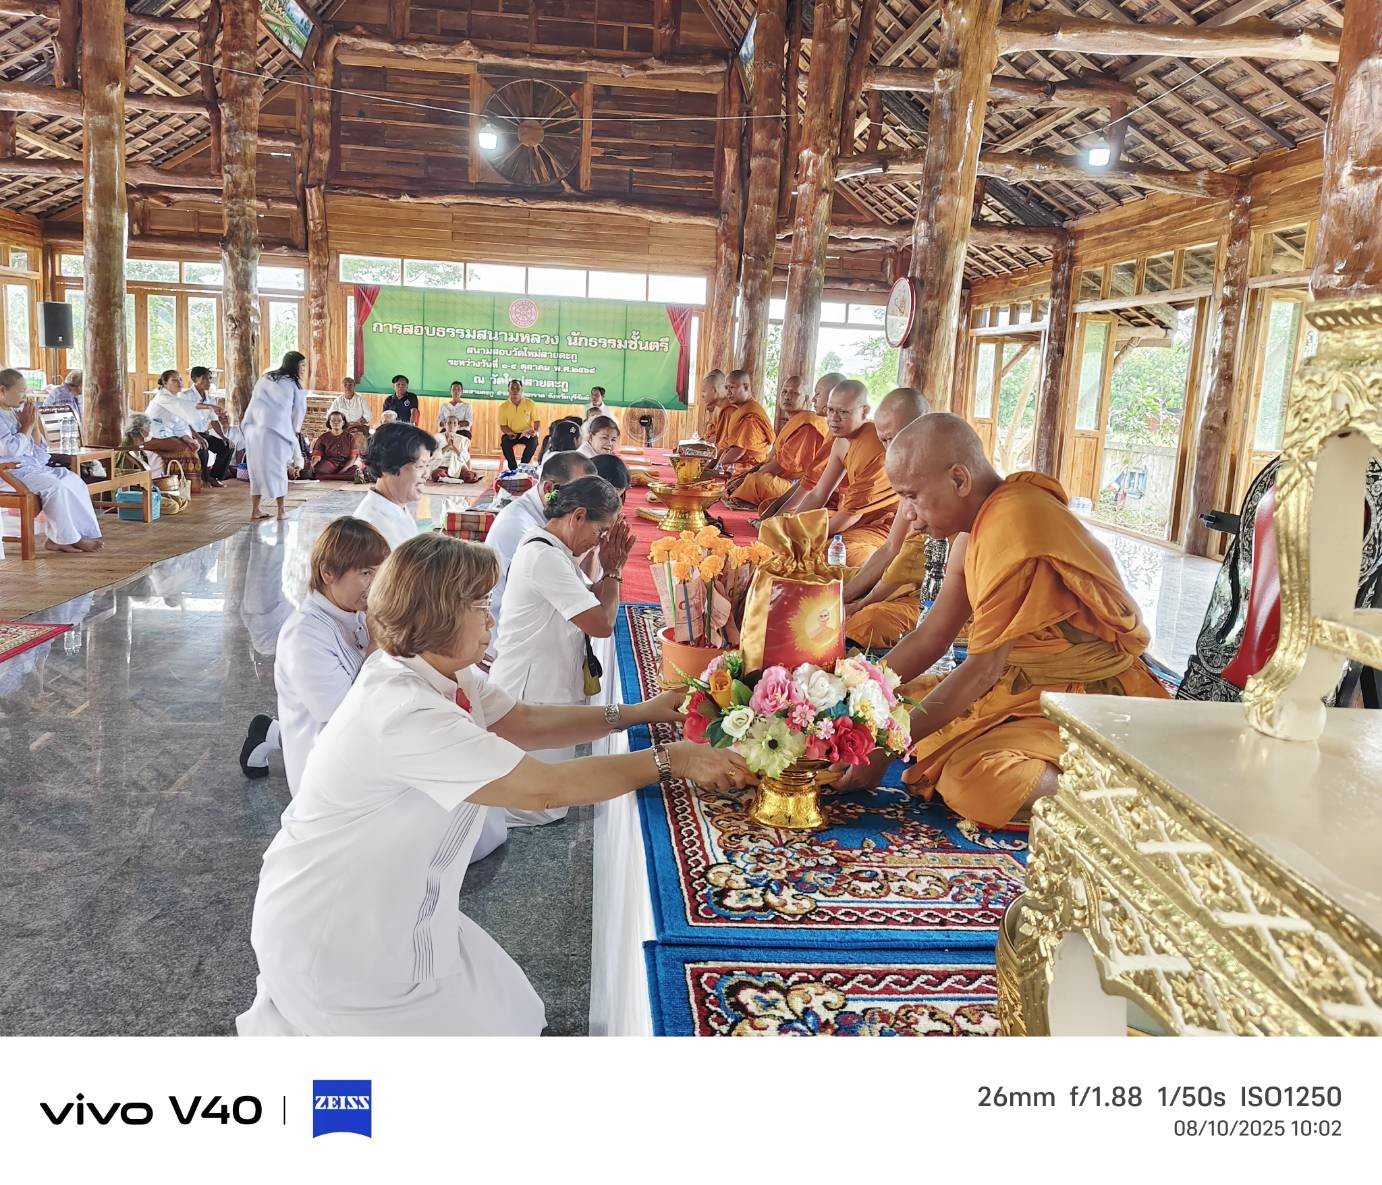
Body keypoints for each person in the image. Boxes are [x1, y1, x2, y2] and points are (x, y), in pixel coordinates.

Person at [237, 533, 753, 1036]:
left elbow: (521, 722)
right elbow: (545, 787)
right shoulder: (403, 709)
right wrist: (671, 760)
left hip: (397, 905)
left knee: (504, 1011)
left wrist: (638, 713)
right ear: (438, 614)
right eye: (481, 605)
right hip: (337, 933)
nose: (492, 619)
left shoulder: (439, 671)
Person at [844, 414, 1167, 828]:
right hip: (1022, 685)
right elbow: (932, 636)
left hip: (1086, 698)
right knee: (894, 709)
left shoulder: (1014, 524)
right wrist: (851, 694)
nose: (907, 515)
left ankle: (1127, 789)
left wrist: (885, 751)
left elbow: (982, 671)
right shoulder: (973, 530)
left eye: (912, 497)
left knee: (973, 779)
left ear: (959, 479)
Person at [489, 476, 635, 825]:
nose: (601, 542)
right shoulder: (544, 556)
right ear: (578, 516)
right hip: (531, 692)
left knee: (548, 801)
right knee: (537, 809)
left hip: (542, 686)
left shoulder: (553, 549)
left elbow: (592, 600)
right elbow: (601, 623)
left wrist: (610, 572)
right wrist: (613, 570)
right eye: (601, 532)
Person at [273, 517, 390, 795]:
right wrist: (376, 643)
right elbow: (342, 715)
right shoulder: (304, 635)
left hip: (362, 758)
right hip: (328, 782)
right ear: (327, 572)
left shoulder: (356, 614)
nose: (376, 584)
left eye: (381, 573)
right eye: (366, 573)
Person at [839, 388, 934, 648]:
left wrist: (859, 604)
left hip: (947, 600)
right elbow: (892, 548)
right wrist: (842, 597)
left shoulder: (939, 478)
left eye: (896, 437)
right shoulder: (911, 474)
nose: (891, 449)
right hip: (909, 585)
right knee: (830, 581)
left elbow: (908, 561)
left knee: (868, 622)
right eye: (884, 440)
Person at [783, 379, 898, 566]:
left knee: (834, 552)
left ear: (865, 411)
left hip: (881, 525)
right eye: (830, 410)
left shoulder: (875, 445)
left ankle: (878, 567)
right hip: (850, 517)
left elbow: (853, 514)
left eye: (843, 412)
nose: (833, 418)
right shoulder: (841, 442)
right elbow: (819, 493)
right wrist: (792, 527)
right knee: (799, 528)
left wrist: (805, 537)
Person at [0, 367, 102, 553]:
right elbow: (12, 450)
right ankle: (66, 539)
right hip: (8, 474)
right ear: (2, 391)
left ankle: (77, 535)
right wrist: (27, 425)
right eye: (21, 391)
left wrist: (34, 426)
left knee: (73, 480)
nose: (25, 396)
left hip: (28, 470)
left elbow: (39, 454)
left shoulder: (14, 413)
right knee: (55, 486)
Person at [487, 449, 595, 620]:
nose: (585, 508)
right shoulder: (518, 526)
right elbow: (586, 611)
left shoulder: (548, 515)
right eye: (579, 497)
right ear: (549, 488)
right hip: (510, 626)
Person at [725, 374, 829, 509]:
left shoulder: (808, 425)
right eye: (784, 392)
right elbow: (770, 460)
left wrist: (746, 480)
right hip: (781, 480)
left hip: (798, 487)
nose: (787, 397)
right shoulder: (794, 422)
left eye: (795, 393)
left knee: (756, 481)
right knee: (745, 478)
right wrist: (743, 478)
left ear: (807, 399)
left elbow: (782, 465)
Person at [242, 352, 308, 520]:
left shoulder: (266, 377)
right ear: (294, 366)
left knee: (256, 469)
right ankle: (281, 511)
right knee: (278, 469)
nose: (304, 369)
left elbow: (254, 402)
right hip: (275, 432)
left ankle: (255, 510)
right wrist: (294, 431)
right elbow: (298, 411)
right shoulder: (294, 384)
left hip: (254, 429)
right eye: (302, 365)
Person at [354, 421, 434, 550]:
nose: (427, 474)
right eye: (420, 466)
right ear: (387, 467)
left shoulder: (396, 506)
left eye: (427, 465)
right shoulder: (376, 528)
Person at [145, 370, 213, 490]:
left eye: (180, 379)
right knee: (185, 450)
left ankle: (187, 485)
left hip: (166, 435)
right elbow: (186, 406)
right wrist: (210, 406)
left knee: (192, 446)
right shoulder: (163, 397)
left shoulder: (175, 398)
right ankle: (183, 486)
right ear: (165, 383)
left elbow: (180, 425)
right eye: (174, 380)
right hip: (151, 436)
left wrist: (189, 439)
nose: (179, 382)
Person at [713, 369, 774, 468]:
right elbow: (729, 445)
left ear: (746, 387)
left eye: (732, 387)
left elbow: (738, 451)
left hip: (750, 464)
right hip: (737, 460)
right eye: (726, 388)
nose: (728, 392)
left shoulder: (750, 417)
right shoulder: (741, 411)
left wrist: (717, 468)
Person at [498, 378, 540, 469]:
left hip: (526, 434)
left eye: (517, 388)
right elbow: (503, 425)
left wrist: (535, 431)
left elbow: (537, 421)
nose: (515, 391)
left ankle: (523, 466)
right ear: (508, 391)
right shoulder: (503, 407)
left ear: (522, 390)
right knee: (505, 442)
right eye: (512, 388)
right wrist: (509, 433)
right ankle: (513, 468)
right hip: (512, 434)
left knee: (534, 441)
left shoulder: (530, 404)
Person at [308, 411, 362, 481]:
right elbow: (317, 455)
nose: (336, 423)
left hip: (346, 464)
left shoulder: (350, 438)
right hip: (329, 463)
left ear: (343, 422)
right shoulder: (323, 437)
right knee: (319, 470)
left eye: (339, 420)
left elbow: (353, 458)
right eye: (333, 420)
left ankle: (331, 477)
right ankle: (341, 477)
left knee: (355, 471)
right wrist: (312, 467)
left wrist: (343, 470)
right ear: (329, 423)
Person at [113, 413, 166, 480]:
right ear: (140, 431)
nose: (149, 432)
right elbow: (125, 478)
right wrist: (142, 473)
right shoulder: (126, 453)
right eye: (148, 428)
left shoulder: (139, 451)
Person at [328, 376, 373, 445]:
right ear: (342, 387)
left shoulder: (361, 400)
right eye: (345, 385)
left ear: (354, 386)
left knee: (357, 439)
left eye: (350, 385)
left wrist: (357, 423)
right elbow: (330, 415)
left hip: (358, 426)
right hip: (342, 426)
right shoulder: (338, 401)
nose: (347, 387)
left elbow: (368, 415)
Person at [699, 369, 727, 442]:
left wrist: (705, 442)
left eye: (705, 390)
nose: (702, 395)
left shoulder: (729, 409)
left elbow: (724, 438)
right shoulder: (717, 408)